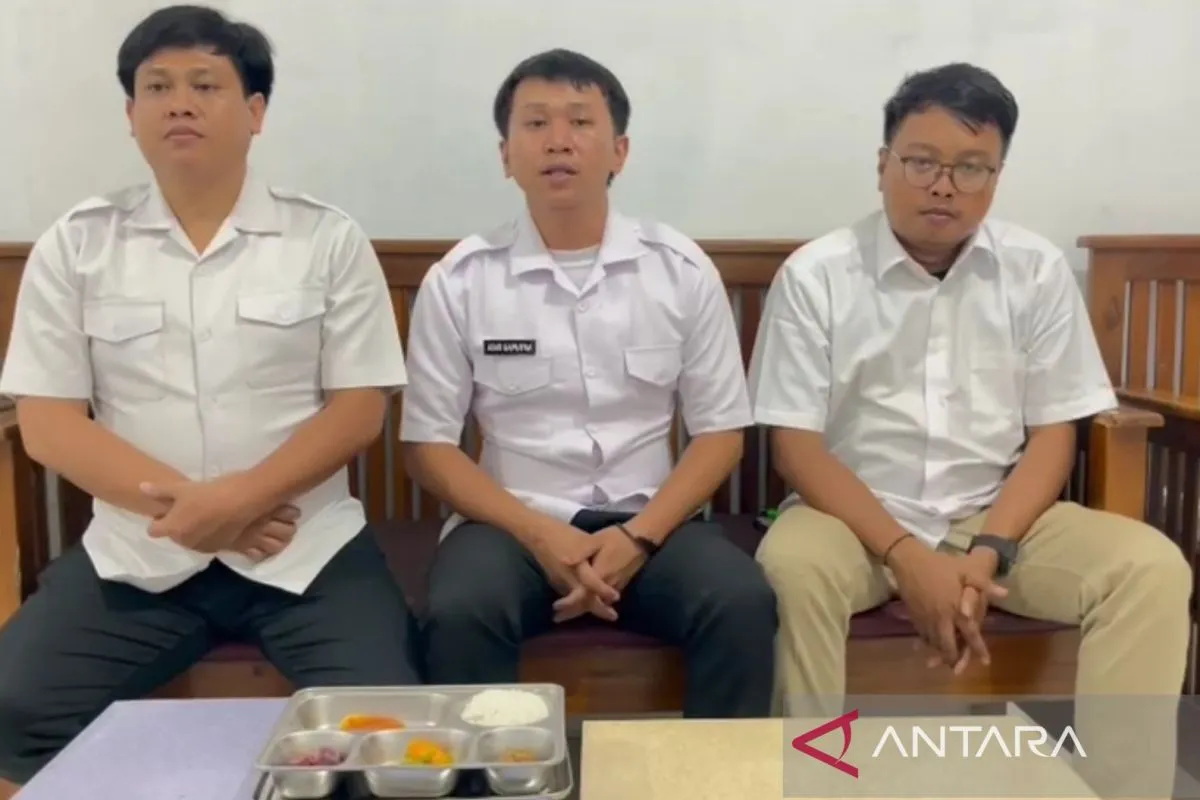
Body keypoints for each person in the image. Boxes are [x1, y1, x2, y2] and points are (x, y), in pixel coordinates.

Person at [0, 5, 420, 791]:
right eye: (157, 87)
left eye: (204, 84)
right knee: (13, 703)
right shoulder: (77, 244)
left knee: (385, 726)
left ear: (255, 111)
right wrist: (198, 511)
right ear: (131, 114)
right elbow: (49, 424)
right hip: (139, 556)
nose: (179, 104)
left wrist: (243, 500)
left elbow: (359, 408)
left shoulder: (325, 239)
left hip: (304, 551)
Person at [749, 62, 1190, 796]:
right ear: (883, 164)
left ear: (996, 176)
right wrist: (905, 555)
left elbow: (1054, 433)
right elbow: (796, 447)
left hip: (998, 518)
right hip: (851, 520)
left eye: (971, 167)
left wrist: (989, 551)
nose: (943, 186)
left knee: (1150, 569)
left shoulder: (1034, 270)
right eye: (922, 162)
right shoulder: (817, 275)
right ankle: (816, 783)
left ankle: (1119, 789)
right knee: (792, 571)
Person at [401, 48, 777, 718]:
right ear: (506, 155)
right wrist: (541, 535)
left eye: (580, 121)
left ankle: (716, 774)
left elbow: (721, 433)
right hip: (510, 527)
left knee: (741, 601)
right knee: (460, 611)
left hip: (653, 522)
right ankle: (487, 774)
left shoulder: (680, 270)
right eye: (535, 123)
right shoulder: (461, 280)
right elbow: (428, 446)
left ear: (619, 151)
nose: (559, 141)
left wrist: (638, 539)